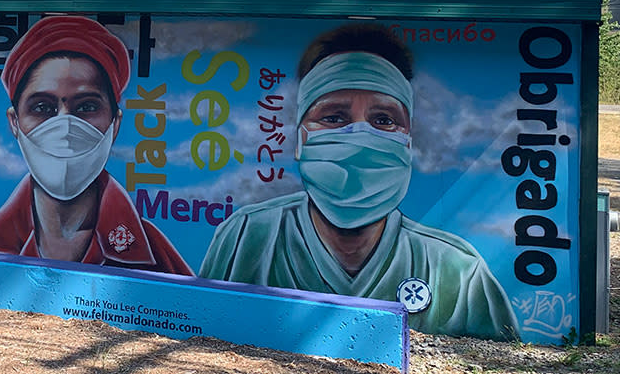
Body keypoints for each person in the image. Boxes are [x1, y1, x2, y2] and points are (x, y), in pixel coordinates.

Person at [198, 23, 518, 339]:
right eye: (334, 117)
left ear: (407, 143)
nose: (360, 136)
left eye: (383, 120)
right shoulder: (246, 237)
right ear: (299, 141)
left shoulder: (458, 272)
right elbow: (203, 330)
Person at [0, 16, 192, 275]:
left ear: (115, 124)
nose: (65, 127)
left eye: (87, 107)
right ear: (14, 122)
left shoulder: (155, 257)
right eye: (42, 107)